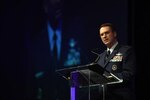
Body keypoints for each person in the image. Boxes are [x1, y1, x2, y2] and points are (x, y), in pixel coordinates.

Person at [96, 23, 136, 100]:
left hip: (120, 97)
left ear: (114, 34)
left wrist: (108, 78)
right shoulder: (100, 57)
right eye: (102, 34)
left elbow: (129, 74)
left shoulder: (126, 51)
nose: (104, 36)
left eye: (107, 33)